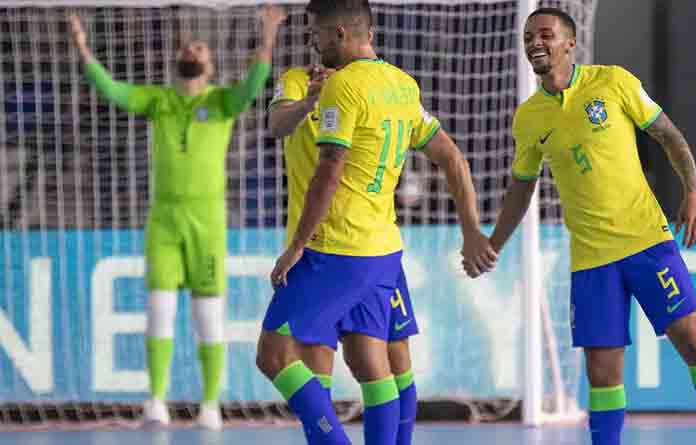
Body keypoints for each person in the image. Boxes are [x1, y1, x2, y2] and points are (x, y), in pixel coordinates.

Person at [472, 8, 696, 445]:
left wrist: (693, 191)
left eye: (545, 34)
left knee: (692, 344)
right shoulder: (529, 118)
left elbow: (669, 136)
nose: (535, 42)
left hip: (647, 243)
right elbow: (522, 187)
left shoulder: (614, 82)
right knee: (602, 375)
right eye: (528, 37)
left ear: (570, 43)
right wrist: (495, 243)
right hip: (592, 261)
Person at [255, 1, 496, 444]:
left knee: (275, 355)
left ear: (341, 34)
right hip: (381, 250)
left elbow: (330, 167)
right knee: (370, 362)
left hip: (334, 245)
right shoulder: (400, 85)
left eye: (318, 33)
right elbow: (451, 155)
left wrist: (296, 245)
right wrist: (471, 230)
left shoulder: (343, 88)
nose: (313, 41)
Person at [68, 7, 287, 430]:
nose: (192, 48)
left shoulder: (222, 102)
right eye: (188, 45)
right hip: (164, 222)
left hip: (207, 224)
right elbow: (112, 90)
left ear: (210, 65)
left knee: (208, 314)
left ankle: (210, 404)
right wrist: (81, 46)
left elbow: (255, 83)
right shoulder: (159, 101)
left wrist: (268, 35)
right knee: (159, 308)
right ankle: (155, 399)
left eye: (200, 47)